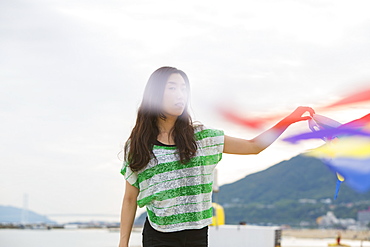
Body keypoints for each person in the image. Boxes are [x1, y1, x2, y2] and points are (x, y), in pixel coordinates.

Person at [119, 66, 315, 247]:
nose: (180, 94)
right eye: (172, 88)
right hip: (158, 235)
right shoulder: (138, 146)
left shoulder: (202, 138)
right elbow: (130, 199)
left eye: (183, 89)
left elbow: (254, 146)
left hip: (196, 236)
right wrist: (123, 243)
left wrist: (289, 120)